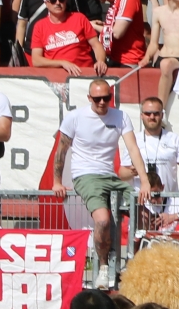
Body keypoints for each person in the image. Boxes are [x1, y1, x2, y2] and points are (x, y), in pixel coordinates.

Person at [53, 79, 150, 284]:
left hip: (110, 175)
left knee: (144, 214)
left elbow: (133, 148)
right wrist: (57, 181)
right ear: (89, 98)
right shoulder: (75, 117)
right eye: (97, 99)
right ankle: (104, 267)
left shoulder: (121, 116)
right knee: (103, 220)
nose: (102, 102)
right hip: (85, 175)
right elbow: (61, 150)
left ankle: (136, 261)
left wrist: (145, 181)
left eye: (107, 98)